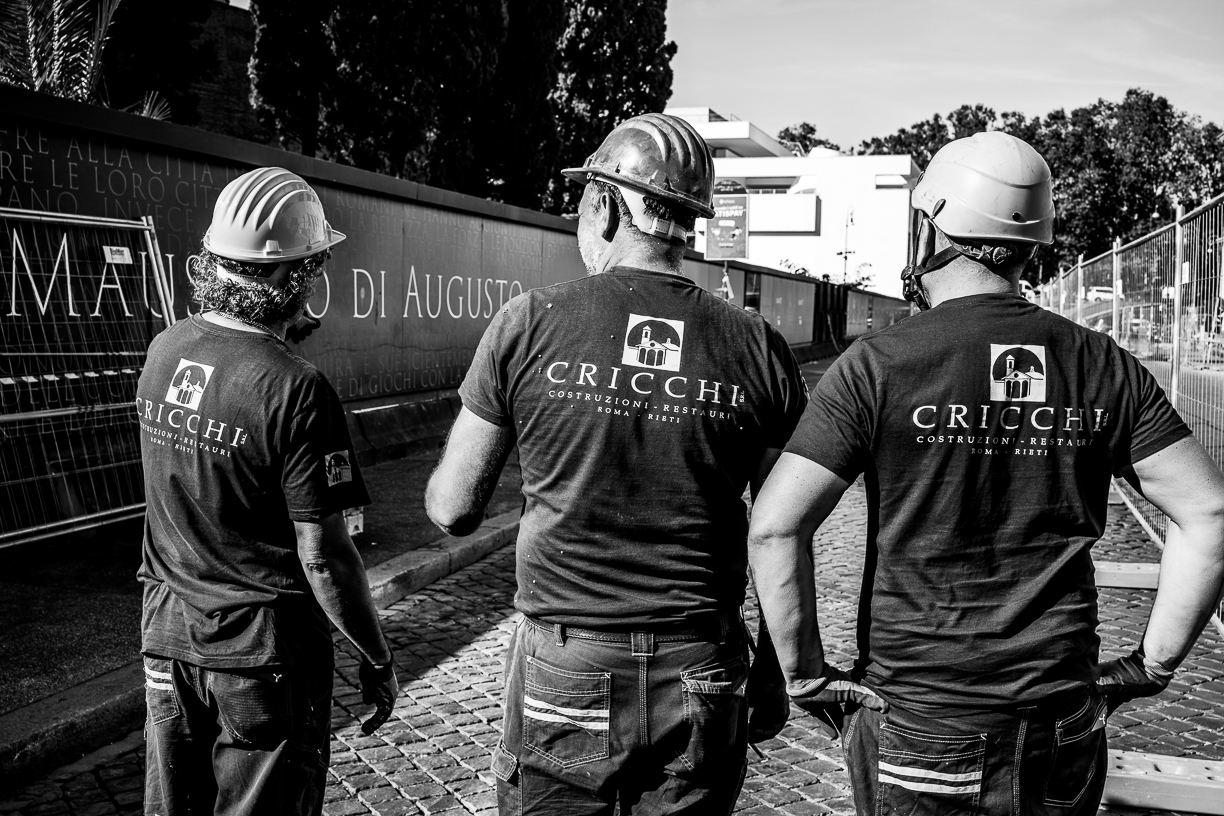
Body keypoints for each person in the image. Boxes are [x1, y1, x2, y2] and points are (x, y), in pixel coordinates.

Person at [747, 131, 1224, 816]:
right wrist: (1151, 665)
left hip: (921, 721)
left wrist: (805, 676)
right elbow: (1208, 512)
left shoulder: (878, 364)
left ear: (932, 227)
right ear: (1031, 243)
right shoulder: (1103, 364)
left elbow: (775, 528)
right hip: (1061, 719)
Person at [425, 112, 808, 815]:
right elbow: (780, 527)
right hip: (702, 663)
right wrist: (779, 665)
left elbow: (453, 509)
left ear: (603, 205)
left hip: (567, 660)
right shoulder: (757, 345)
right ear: (688, 223)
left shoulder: (528, 321)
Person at [136, 167, 399, 816]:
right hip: (261, 657)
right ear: (292, 276)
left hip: (167, 637)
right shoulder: (296, 388)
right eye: (315, 267)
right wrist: (376, 654)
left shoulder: (165, 349)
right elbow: (324, 557)